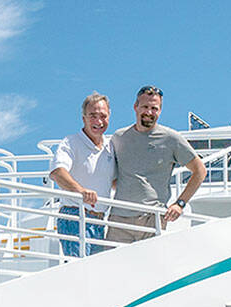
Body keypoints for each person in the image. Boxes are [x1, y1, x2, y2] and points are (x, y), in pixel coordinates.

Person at [106, 85, 205, 244]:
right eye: (145, 106)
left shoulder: (171, 138)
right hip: (118, 218)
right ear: (135, 107)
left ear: (160, 110)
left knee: (149, 267)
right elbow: (111, 174)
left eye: (154, 108)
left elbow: (200, 171)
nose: (149, 112)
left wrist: (180, 204)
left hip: (152, 218)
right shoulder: (119, 137)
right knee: (112, 267)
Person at [49, 92, 115, 256]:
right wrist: (81, 191)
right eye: (93, 116)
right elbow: (58, 173)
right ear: (83, 118)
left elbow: (114, 181)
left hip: (99, 221)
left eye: (103, 116)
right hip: (75, 217)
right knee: (79, 272)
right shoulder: (71, 143)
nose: (98, 121)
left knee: (93, 276)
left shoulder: (110, 147)